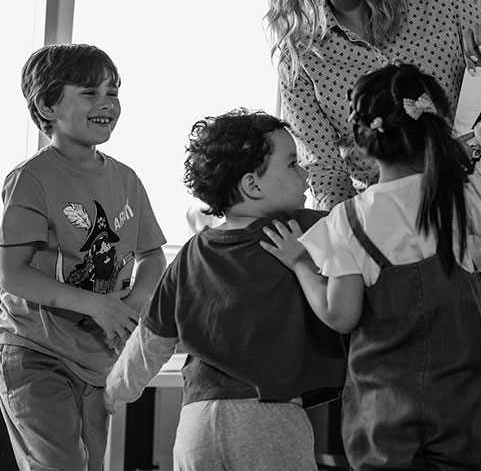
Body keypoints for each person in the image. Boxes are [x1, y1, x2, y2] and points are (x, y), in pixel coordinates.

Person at [264, 0, 481, 352]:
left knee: (475, 389)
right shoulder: (300, 58)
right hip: (383, 252)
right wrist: (348, 251)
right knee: (396, 394)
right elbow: (325, 172)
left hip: (474, 226)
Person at [263, 63, 481, 471]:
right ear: (434, 131)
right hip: (465, 399)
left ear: (363, 142)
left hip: (384, 408)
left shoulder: (346, 219)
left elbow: (341, 315)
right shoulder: (449, 195)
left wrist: (299, 262)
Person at [105, 108, 346, 471]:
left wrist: (115, 390)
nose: (306, 172)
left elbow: (150, 340)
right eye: (293, 163)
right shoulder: (303, 229)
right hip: (269, 419)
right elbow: (370, 228)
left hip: (196, 422)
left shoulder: (190, 254)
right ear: (253, 185)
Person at [0, 43, 167, 471]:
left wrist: (130, 304)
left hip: (97, 357)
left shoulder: (127, 178)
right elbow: (11, 274)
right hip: (35, 350)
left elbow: (152, 255)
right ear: (47, 104)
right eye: (90, 92)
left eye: (112, 92)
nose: (106, 103)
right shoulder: (30, 179)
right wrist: (97, 304)